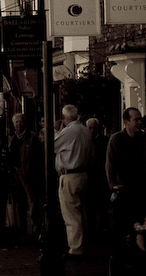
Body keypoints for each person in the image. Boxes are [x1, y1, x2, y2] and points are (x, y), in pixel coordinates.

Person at [106, 107, 146, 257]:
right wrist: (114, 184)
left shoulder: (145, 139)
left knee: (142, 220)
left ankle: (140, 248)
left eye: (140, 119)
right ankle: (121, 252)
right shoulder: (117, 139)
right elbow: (110, 164)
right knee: (122, 221)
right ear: (126, 122)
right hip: (124, 187)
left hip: (141, 186)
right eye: (136, 120)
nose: (139, 122)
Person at [54, 104, 94, 259]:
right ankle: (83, 244)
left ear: (65, 118)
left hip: (69, 175)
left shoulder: (69, 131)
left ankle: (76, 248)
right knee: (81, 212)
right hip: (83, 174)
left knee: (71, 214)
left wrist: (58, 131)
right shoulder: (85, 130)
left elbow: (52, 144)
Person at [7, 112, 43, 238]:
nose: (18, 124)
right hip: (16, 171)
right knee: (19, 201)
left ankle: (35, 225)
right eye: (16, 122)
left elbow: (37, 156)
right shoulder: (12, 138)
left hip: (28, 173)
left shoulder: (32, 137)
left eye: (20, 121)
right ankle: (22, 226)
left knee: (32, 200)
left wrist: (31, 170)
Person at [85, 117, 110, 241]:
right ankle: (92, 231)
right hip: (89, 177)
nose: (92, 130)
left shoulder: (104, 141)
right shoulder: (85, 140)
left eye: (94, 128)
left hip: (101, 177)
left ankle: (103, 229)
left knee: (102, 206)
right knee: (89, 207)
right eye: (90, 127)